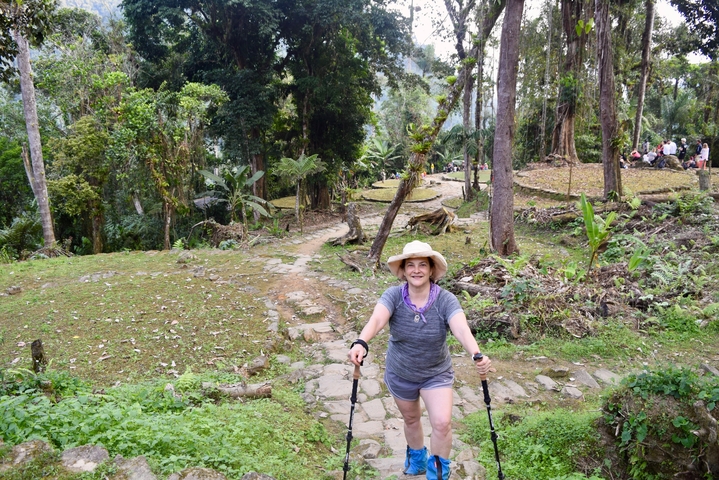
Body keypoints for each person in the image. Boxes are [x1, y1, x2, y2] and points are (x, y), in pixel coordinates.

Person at [348, 241, 492, 480]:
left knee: (442, 423)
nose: (416, 270)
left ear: (431, 270)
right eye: (411, 265)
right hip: (401, 371)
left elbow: (461, 329)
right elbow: (376, 320)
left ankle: (437, 474)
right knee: (412, 419)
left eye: (422, 265)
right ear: (403, 271)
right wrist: (361, 342)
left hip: (436, 372)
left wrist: (476, 354)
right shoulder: (393, 296)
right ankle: (416, 458)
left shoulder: (446, 300)